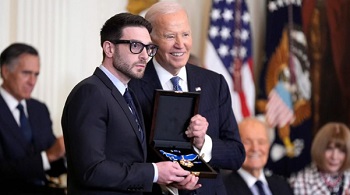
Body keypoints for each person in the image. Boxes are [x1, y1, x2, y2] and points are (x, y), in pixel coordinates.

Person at [61, 12, 200, 194]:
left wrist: (170, 178)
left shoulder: (129, 93)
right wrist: (155, 172)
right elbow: (91, 170)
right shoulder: (90, 92)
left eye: (148, 48)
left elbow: (129, 161)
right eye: (135, 46)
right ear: (109, 49)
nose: (145, 56)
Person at [128, 2, 245, 194]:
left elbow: (236, 155)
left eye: (185, 34)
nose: (180, 44)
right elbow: (126, 159)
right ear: (151, 40)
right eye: (170, 36)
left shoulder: (214, 84)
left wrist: (203, 143)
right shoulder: (132, 86)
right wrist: (164, 181)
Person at [0, 43, 66, 194]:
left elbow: (54, 163)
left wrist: (69, 151)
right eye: (26, 73)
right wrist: (48, 156)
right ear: (5, 71)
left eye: (36, 74)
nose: (32, 81)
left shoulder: (39, 109)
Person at [222, 117, 293, 195]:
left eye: (261, 142)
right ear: (236, 146)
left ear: (268, 146)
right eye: (247, 142)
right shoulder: (222, 188)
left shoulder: (282, 185)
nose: (255, 148)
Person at [289, 122, 350, 194]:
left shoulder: (347, 176)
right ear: (320, 149)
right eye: (329, 149)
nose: (334, 156)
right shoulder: (301, 182)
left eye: (341, 151)